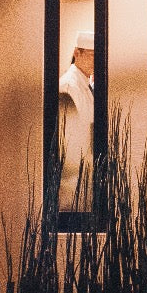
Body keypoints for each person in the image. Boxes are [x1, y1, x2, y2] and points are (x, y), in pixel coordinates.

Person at [57, 29, 95, 211]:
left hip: (85, 171)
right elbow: (70, 138)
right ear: (76, 53)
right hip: (71, 175)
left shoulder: (87, 85)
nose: (95, 60)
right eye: (91, 55)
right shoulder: (68, 86)